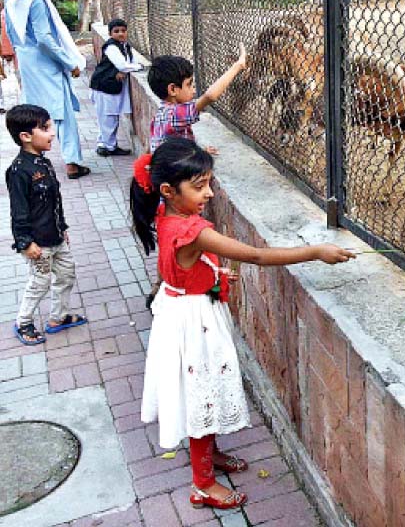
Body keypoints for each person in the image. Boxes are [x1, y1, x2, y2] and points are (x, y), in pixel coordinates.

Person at [130, 138, 354, 509]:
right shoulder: (193, 230)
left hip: (182, 310)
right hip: (193, 321)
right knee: (202, 388)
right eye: (199, 186)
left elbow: (181, 270)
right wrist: (316, 251)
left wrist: (213, 275)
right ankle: (202, 483)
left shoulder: (168, 216)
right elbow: (256, 255)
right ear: (169, 190)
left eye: (209, 183)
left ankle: (209, 453)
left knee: (204, 385)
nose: (210, 193)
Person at [5, 105, 87, 346]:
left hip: (56, 237)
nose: (52, 133)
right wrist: (25, 243)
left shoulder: (45, 162)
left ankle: (58, 317)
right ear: (26, 137)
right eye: (45, 128)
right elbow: (18, 211)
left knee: (66, 274)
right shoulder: (19, 171)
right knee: (39, 283)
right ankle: (24, 322)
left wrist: (62, 227)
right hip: (37, 244)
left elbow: (54, 200)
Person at [3, 0, 90, 179]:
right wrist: (70, 62)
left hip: (28, 64)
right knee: (62, 115)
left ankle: (34, 159)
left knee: (35, 113)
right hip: (44, 62)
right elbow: (44, 38)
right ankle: (72, 163)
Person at [147, 44, 247, 153]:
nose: (193, 90)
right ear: (172, 90)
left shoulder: (160, 115)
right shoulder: (174, 114)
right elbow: (210, 96)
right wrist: (238, 66)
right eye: (189, 85)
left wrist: (198, 152)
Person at [90, 18, 142, 156]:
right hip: (104, 87)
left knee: (109, 117)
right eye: (116, 31)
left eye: (123, 31)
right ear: (110, 33)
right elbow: (123, 65)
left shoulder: (124, 46)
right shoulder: (112, 47)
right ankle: (108, 146)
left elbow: (127, 63)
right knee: (108, 117)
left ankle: (105, 144)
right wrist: (138, 67)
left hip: (109, 87)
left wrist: (126, 68)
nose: (120, 34)